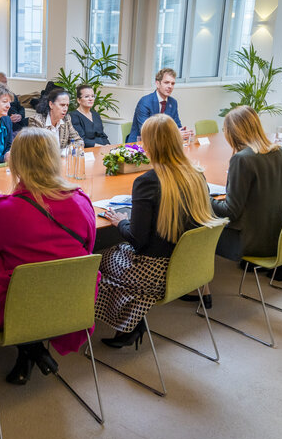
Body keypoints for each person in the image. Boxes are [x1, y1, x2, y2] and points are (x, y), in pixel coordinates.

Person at [0, 127, 97, 385]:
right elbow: (88, 250)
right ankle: (33, 349)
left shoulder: (6, 210)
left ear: (17, 163)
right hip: (70, 300)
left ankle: (30, 347)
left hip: (14, 307)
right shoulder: (81, 200)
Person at [95, 114, 225, 348]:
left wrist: (120, 222)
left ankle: (129, 323)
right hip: (190, 265)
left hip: (154, 271)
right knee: (118, 250)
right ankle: (132, 321)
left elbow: (138, 242)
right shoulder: (196, 174)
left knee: (99, 259)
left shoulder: (148, 181)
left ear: (150, 144)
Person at [212, 106, 282, 284]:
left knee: (192, 222)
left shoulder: (242, 159)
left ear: (234, 132)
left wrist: (203, 197)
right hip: (278, 238)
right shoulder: (281, 152)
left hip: (247, 241)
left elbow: (230, 211)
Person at [127, 68, 194, 143]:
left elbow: (177, 126)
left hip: (163, 144)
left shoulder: (173, 102)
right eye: (166, 82)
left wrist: (185, 134)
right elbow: (147, 132)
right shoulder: (145, 102)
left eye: (172, 83)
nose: (170, 86)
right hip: (140, 144)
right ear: (157, 84)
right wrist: (174, 135)